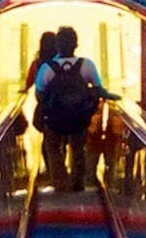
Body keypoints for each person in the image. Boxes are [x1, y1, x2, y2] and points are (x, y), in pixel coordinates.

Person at [29, 25, 106, 191]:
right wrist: (90, 108)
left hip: (54, 118)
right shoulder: (87, 65)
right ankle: (77, 183)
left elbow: (39, 93)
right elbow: (98, 89)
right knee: (78, 149)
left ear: (57, 46)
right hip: (79, 117)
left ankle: (60, 183)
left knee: (53, 149)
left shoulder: (47, 67)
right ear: (76, 44)